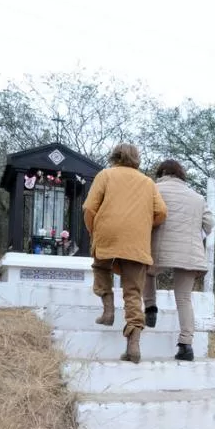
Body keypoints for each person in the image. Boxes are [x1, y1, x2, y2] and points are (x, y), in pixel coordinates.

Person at [82, 143, 167, 363]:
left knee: (101, 266)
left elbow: (90, 207)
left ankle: (108, 310)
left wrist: (94, 230)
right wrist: (144, 225)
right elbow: (161, 212)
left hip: (108, 231)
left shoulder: (105, 175)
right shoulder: (148, 182)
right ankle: (134, 345)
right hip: (137, 238)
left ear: (114, 156)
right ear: (136, 159)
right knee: (133, 291)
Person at [143, 160, 214, 362]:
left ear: (162, 173)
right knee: (184, 298)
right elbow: (209, 224)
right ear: (182, 175)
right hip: (190, 251)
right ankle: (186, 345)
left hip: (159, 247)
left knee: (148, 272)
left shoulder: (153, 189)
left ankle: (150, 308)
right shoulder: (197, 197)